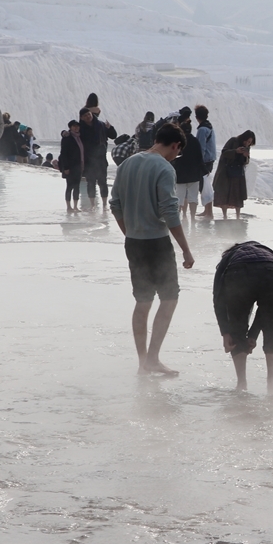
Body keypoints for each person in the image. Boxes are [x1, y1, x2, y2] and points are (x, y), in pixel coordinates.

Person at [109, 122, 195, 376]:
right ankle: (153, 359)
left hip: (133, 243)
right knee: (169, 299)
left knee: (142, 300)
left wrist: (130, 233)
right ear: (175, 145)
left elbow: (115, 205)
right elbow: (169, 212)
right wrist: (186, 251)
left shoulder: (127, 164)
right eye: (177, 153)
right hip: (157, 243)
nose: (175, 157)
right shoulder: (164, 168)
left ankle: (142, 361)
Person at [213, 241, 273, 391]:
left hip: (239, 272)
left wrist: (226, 332)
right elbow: (266, 310)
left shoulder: (228, 259)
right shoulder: (270, 254)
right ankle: (272, 380)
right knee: (272, 325)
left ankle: (241, 384)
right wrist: (253, 334)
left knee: (237, 327)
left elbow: (219, 298)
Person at [212, 130, 255, 219]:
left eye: (249, 142)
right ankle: (224, 215)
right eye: (246, 141)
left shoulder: (247, 147)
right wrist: (235, 151)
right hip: (226, 172)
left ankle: (238, 216)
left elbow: (246, 162)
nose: (247, 143)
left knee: (237, 195)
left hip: (238, 173)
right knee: (224, 194)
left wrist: (246, 156)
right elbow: (224, 152)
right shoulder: (233, 141)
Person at [79, 106, 115, 210]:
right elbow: (71, 133)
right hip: (88, 160)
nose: (88, 117)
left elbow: (113, 136)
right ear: (81, 118)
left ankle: (104, 204)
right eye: (85, 116)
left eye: (89, 114)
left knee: (103, 182)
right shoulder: (81, 128)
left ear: (92, 114)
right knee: (91, 183)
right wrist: (64, 133)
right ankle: (92, 205)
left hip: (101, 159)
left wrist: (110, 127)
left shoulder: (101, 125)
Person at [171, 119, 204, 220]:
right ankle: (193, 218)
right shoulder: (195, 141)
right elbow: (200, 158)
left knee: (179, 197)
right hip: (194, 175)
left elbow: (174, 156)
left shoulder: (178, 141)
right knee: (193, 198)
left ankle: (178, 218)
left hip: (180, 174)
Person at [195, 105, 217, 218]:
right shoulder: (209, 127)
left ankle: (209, 212)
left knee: (204, 186)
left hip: (205, 161)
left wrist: (199, 161)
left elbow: (201, 148)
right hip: (210, 159)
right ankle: (207, 210)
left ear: (196, 117)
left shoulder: (202, 129)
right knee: (206, 185)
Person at [58, 121, 85, 211]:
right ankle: (68, 206)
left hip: (79, 165)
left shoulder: (80, 137)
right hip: (70, 166)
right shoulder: (67, 138)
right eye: (74, 126)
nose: (76, 128)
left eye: (77, 126)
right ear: (70, 127)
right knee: (69, 186)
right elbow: (63, 154)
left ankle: (76, 206)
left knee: (77, 186)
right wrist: (65, 167)